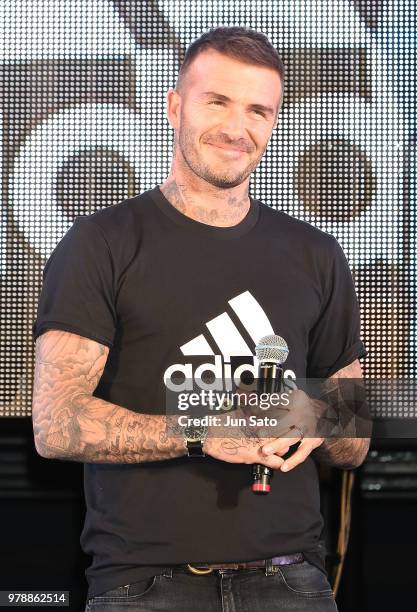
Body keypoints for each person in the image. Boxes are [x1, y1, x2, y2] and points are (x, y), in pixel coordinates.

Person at [31, 26, 370, 612]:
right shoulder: (103, 242)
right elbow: (56, 424)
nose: (237, 128)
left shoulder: (315, 253)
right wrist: (200, 434)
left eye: (258, 110)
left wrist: (317, 414)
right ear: (175, 106)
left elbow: (354, 441)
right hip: (145, 584)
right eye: (218, 102)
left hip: (293, 581)